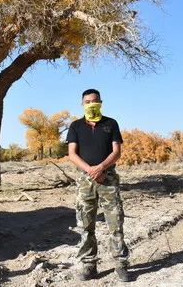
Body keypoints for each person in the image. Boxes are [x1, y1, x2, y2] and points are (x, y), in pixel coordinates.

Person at [66, 88, 132, 282]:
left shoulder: (111, 124)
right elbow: (72, 153)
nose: (91, 104)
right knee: (86, 225)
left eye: (94, 101)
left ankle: (121, 264)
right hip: (85, 182)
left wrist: (102, 168)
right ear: (82, 104)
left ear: (101, 102)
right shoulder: (75, 126)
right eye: (87, 101)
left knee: (115, 223)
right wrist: (90, 170)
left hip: (108, 179)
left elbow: (117, 152)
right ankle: (89, 265)